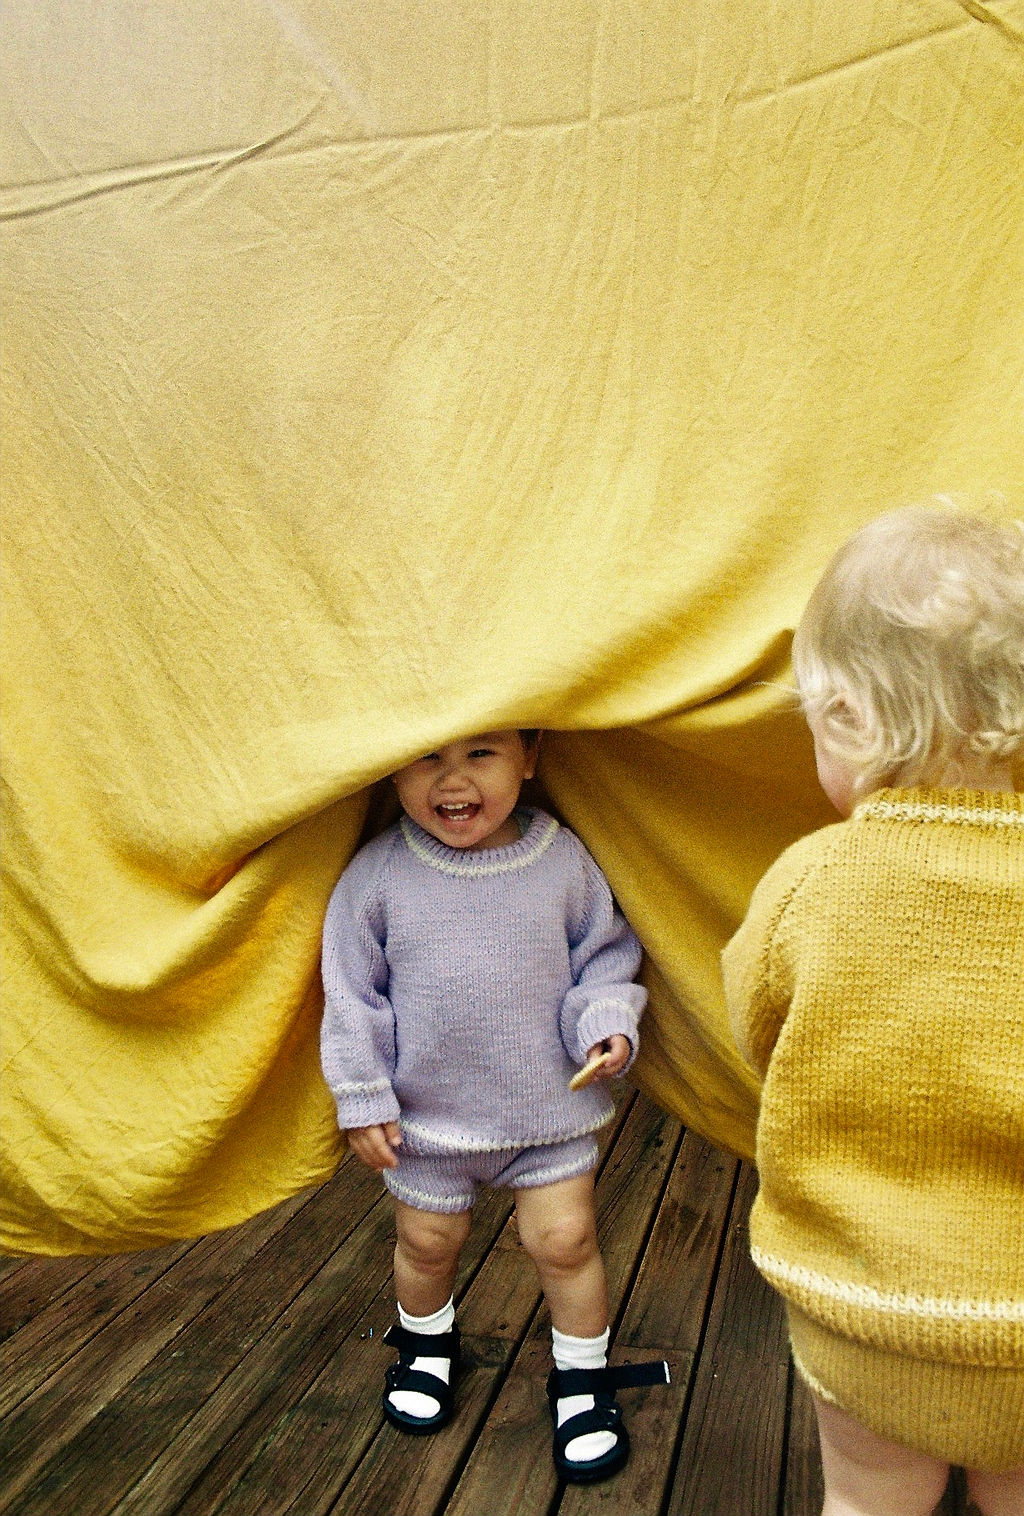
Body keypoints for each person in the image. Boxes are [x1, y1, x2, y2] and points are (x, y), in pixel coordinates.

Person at [722, 505, 1024, 1516]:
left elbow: (756, 1024)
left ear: (847, 718)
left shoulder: (812, 882)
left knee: (864, 1500)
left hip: (861, 1311)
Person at [320, 729, 668, 1483]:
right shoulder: (378, 876)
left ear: (530, 758)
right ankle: (426, 1350)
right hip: (429, 1123)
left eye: (482, 754)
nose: (454, 781)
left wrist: (607, 1026)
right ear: (390, 767)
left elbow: (604, 956)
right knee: (427, 1244)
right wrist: (362, 1094)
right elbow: (352, 996)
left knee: (567, 1241)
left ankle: (581, 1377)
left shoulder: (561, 861)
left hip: (546, 1113)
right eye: (426, 757)